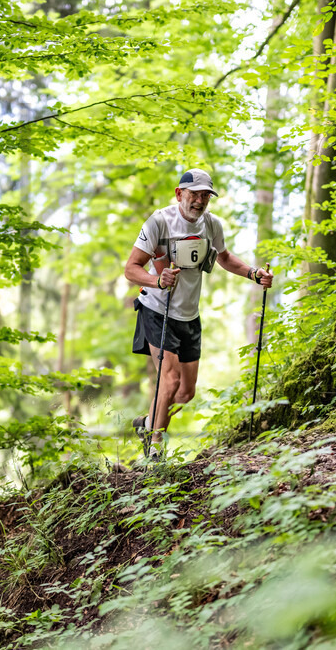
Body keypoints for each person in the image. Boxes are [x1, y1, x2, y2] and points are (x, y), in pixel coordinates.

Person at [124, 168, 275, 460]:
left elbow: (225, 257)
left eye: (206, 196)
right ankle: (155, 451)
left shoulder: (212, 225)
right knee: (168, 380)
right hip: (157, 309)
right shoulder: (159, 221)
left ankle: (147, 423)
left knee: (184, 393)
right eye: (194, 195)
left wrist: (254, 274)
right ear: (180, 194)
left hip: (189, 315)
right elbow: (131, 268)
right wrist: (157, 280)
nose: (200, 201)